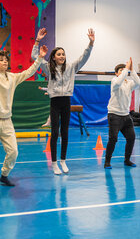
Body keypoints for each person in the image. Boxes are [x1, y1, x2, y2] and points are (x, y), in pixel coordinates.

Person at [0, 45, 47, 190]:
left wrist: (40, 58)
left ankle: (4, 175)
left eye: (6, 60)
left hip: (7, 121)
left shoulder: (12, 77)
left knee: (13, 152)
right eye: (1, 60)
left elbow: (29, 72)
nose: (5, 62)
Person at [32, 27, 95, 175]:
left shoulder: (71, 68)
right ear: (53, 57)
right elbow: (36, 57)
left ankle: (63, 161)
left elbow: (84, 57)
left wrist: (91, 44)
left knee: (65, 132)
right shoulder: (48, 68)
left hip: (66, 102)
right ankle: (54, 163)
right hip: (55, 102)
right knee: (55, 133)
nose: (62, 56)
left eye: (63, 54)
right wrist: (37, 41)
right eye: (59, 54)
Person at [104, 58, 140, 169]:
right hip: (114, 115)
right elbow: (119, 80)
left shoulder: (129, 83)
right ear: (116, 73)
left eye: (124, 70)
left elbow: (138, 83)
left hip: (126, 116)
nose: (123, 71)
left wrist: (132, 70)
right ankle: (107, 161)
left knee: (131, 137)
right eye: (120, 70)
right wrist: (126, 69)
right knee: (113, 139)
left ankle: (127, 160)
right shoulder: (114, 81)